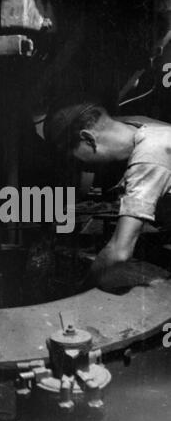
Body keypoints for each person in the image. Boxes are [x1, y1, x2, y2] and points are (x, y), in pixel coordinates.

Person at [45, 103, 171, 290]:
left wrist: (82, 290)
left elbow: (120, 252)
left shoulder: (150, 154)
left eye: (77, 159)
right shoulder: (138, 126)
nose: (82, 167)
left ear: (88, 138)